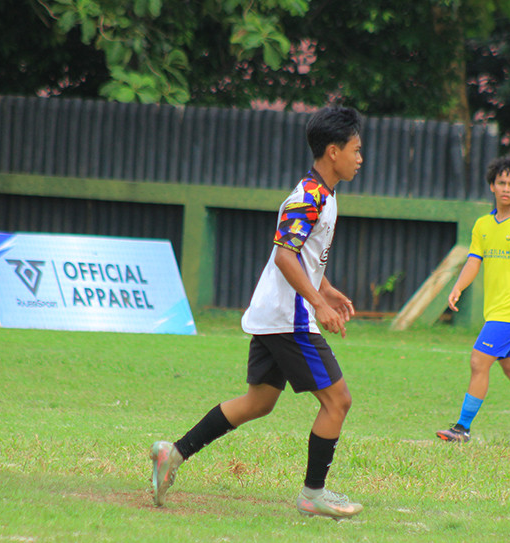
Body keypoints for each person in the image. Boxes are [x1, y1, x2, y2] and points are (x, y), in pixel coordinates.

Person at [151, 106, 364, 519]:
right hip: (289, 318)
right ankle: (312, 494)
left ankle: (172, 454)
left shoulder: (324, 193)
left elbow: (303, 257)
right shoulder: (308, 196)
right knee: (338, 401)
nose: (360, 158)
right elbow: (285, 257)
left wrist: (327, 288)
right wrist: (317, 304)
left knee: (258, 402)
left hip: (276, 314)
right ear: (333, 151)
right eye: (356, 150)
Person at [435, 157, 510, 446]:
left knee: (479, 361)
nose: (506, 188)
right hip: (495, 311)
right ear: (492, 185)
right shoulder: (483, 225)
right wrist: (458, 287)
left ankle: (462, 428)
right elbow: (474, 261)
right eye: (501, 183)